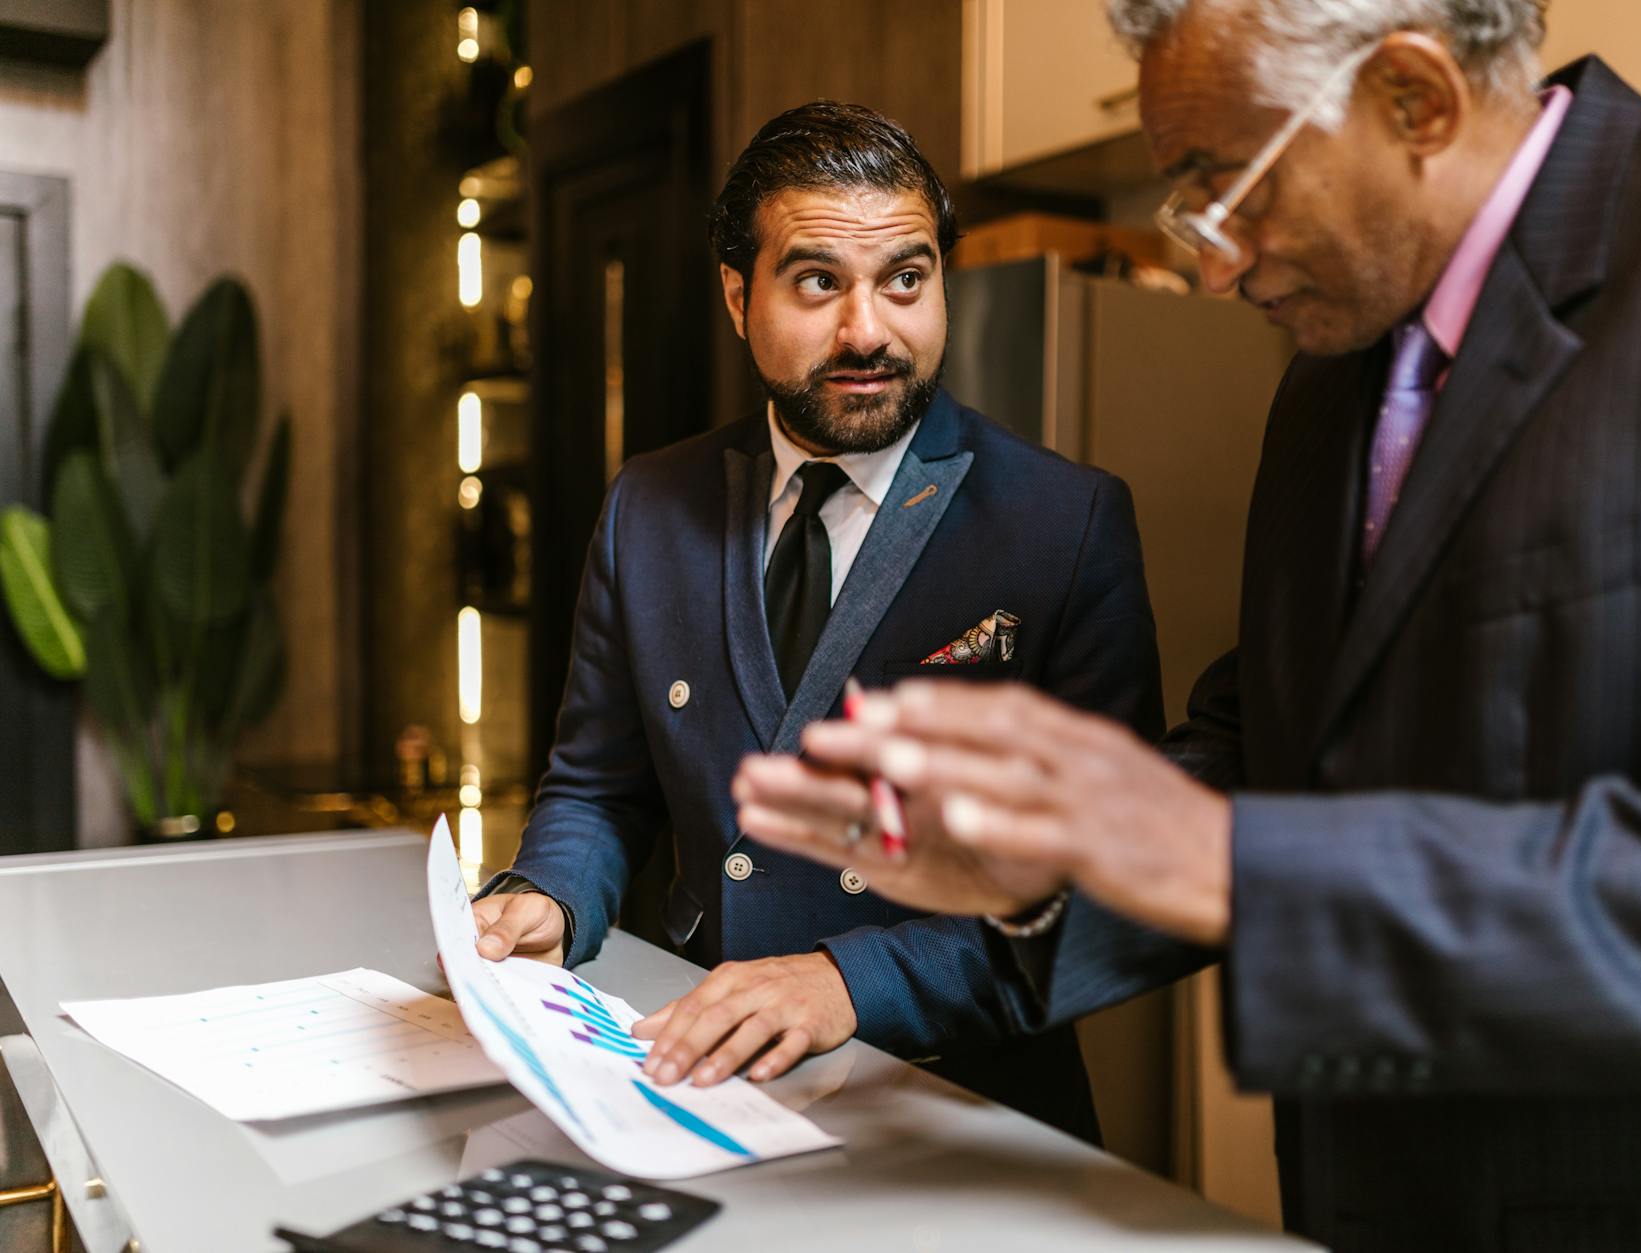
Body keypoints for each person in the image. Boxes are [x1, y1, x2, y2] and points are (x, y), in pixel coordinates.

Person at [730, 3, 1641, 1249]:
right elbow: (1264, 745)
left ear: (1411, 99)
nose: (1212, 264)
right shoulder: (1330, 377)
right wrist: (1044, 860)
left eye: (1223, 182)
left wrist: (1224, 863)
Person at [469, 100, 1163, 1142]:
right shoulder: (649, 508)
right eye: (815, 281)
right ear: (738, 295)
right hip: (696, 1080)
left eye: (904, 279)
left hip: (963, 1115)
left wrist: (849, 979)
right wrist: (552, 895)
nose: (867, 330)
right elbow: (599, 785)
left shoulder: (1063, 524)